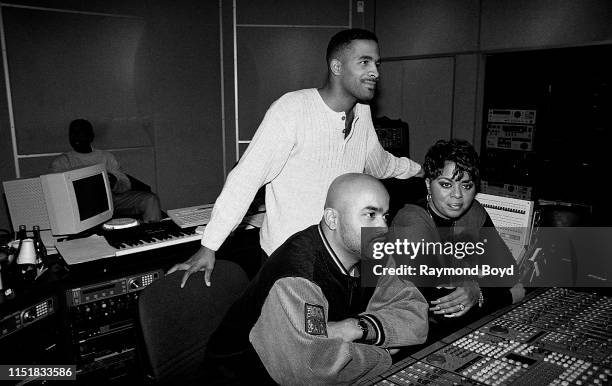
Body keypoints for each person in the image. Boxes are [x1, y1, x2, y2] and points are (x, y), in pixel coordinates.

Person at [169, 28, 422, 286]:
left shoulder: (363, 114)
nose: (375, 73)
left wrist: (418, 170)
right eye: (365, 62)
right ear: (336, 66)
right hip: (288, 263)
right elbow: (245, 177)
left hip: (339, 262)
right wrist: (209, 245)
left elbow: (379, 163)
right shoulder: (292, 109)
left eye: (377, 64)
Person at [204, 173, 428, 384]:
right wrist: (383, 351)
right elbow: (312, 369)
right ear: (332, 218)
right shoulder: (298, 274)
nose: (383, 227)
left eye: (385, 215)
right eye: (370, 215)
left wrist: (358, 327)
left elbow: (415, 314)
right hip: (245, 378)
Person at [388, 139, 524, 340]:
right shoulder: (410, 222)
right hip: (408, 327)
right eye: (446, 184)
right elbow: (440, 307)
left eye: (466, 185)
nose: (458, 196)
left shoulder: (474, 212)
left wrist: (475, 287)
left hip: (465, 322)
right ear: (428, 184)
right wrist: (509, 296)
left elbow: (507, 271)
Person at [50, 119, 162, 223]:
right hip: (82, 206)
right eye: (73, 133)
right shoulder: (61, 162)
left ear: (91, 136)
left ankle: (156, 237)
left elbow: (126, 184)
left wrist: (115, 183)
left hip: (112, 200)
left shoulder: (105, 157)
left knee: (150, 200)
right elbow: (56, 195)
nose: (76, 137)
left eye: (81, 132)